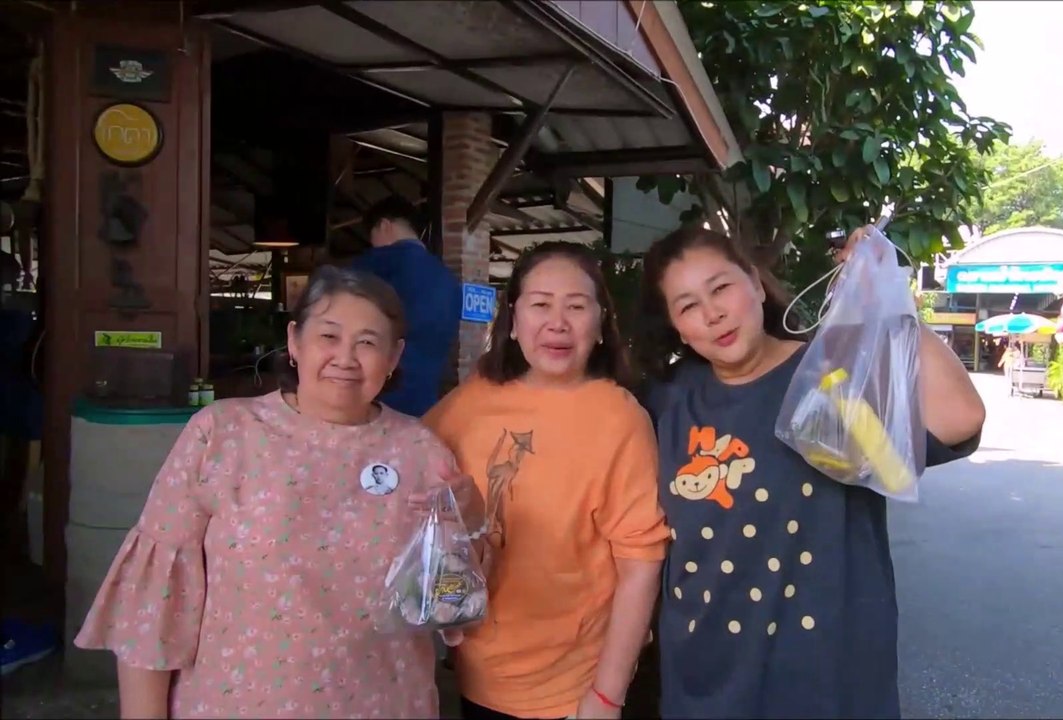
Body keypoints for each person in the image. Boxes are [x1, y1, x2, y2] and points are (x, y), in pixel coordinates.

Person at [74, 266, 480, 719]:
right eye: (329, 336)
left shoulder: (419, 449)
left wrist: (464, 524)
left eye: (367, 342)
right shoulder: (223, 433)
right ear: (294, 341)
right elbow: (155, 604)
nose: (345, 357)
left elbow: (452, 605)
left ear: (394, 356)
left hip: (386, 703)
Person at [635, 226, 986, 719]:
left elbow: (959, 418)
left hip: (828, 684)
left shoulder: (833, 376)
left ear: (756, 285)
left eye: (721, 289)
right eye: (688, 305)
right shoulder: (666, 401)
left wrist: (888, 298)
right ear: (675, 326)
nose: (712, 314)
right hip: (702, 680)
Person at [424, 241, 669, 720]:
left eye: (576, 307)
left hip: (572, 688)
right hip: (478, 672)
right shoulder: (476, 397)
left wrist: (606, 696)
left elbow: (640, 563)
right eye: (540, 305)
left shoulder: (619, 419)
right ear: (513, 322)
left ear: (600, 325)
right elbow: (405, 458)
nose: (557, 323)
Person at [349, 196, 461, 416]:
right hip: (425, 402)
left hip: (376, 401)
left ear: (384, 225)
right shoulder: (448, 279)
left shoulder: (378, 263)